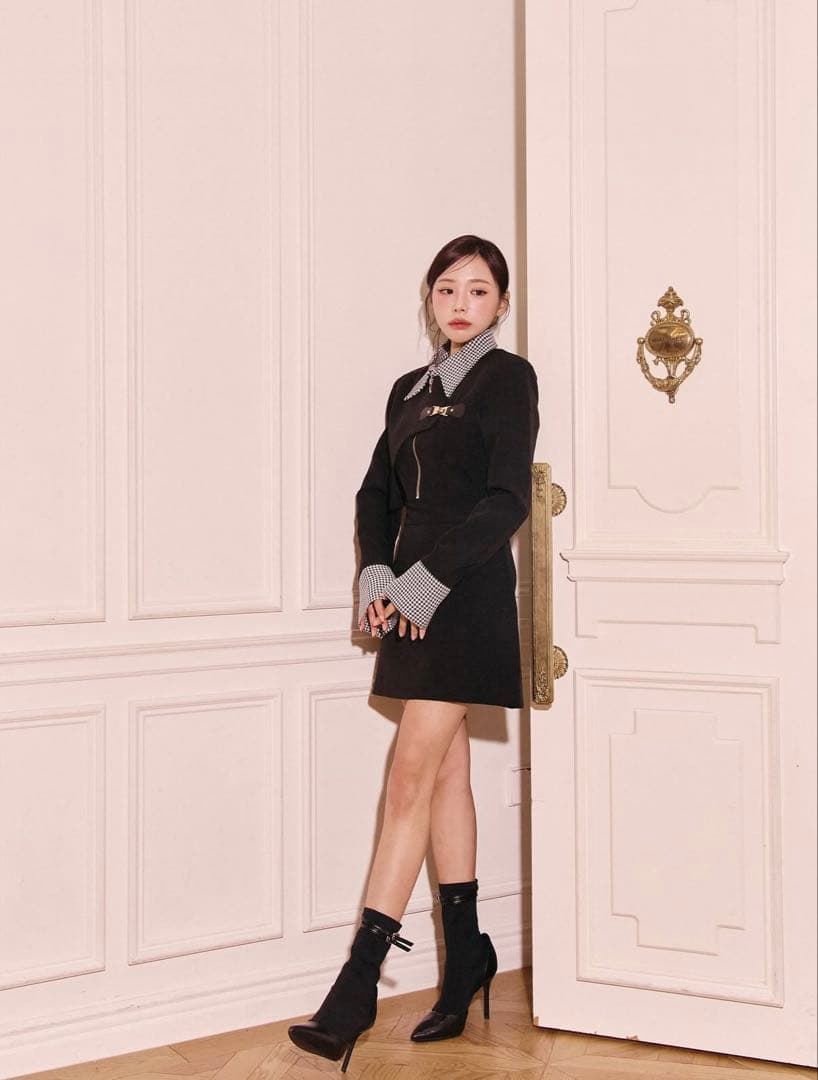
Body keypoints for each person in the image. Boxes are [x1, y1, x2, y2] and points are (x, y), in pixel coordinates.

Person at [288, 235, 540, 1072]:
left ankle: (356, 986)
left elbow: (506, 500)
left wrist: (424, 584)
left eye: (478, 289)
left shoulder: (509, 379)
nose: (461, 303)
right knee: (445, 776)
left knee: (407, 779)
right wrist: (378, 577)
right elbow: (377, 494)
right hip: (406, 599)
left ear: (501, 303)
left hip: (463, 599)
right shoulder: (409, 388)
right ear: (430, 300)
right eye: (446, 289)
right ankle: (467, 957)